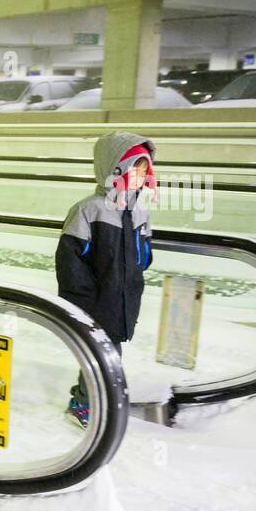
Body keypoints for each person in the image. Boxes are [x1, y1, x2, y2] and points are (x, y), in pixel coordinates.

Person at [55, 133, 156, 428]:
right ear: (114, 169)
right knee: (103, 354)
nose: (139, 176)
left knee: (107, 353)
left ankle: (88, 398)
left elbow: (145, 252)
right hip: (94, 302)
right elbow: (70, 261)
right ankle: (84, 403)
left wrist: (136, 275)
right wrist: (84, 300)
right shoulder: (89, 210)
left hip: (123, 298)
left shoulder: (140, 210)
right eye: (133, 168)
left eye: (143, 169)